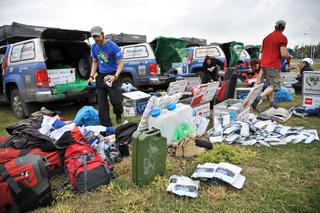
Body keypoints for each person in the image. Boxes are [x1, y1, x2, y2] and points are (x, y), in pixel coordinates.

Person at [88, 26, 124, 127]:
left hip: (113, 74)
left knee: (116, 101)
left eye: (98, 36)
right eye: (94, 37)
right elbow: (95, 62)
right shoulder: (94, 47)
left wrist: (115, 76)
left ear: (102, 34)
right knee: (102, 103)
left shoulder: (113, 46)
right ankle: (106, 125)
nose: (96, 39)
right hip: (101, 76)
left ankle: (118, 114)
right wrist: (91, 76)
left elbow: (120, 64)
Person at [253, 20, 292, 109]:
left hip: (263, 64)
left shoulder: (266, 37)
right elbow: (283, 54)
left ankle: (272, 102)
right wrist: (289, 56)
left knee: (270, 84)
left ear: (275, 27)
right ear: (284, 28)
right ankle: (259, 97)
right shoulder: (283, 38)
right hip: (273, 65)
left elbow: (261, 50)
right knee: (275, 85)